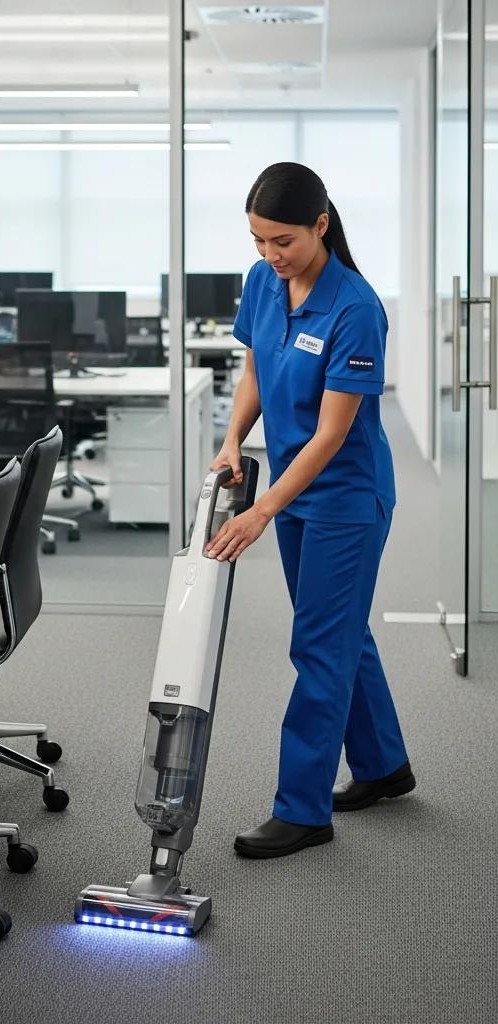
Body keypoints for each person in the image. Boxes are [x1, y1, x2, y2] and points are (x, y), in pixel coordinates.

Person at [206, 161, 415, 859]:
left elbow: (331, 435)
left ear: (320, 224)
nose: (270, 255)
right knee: (338, 630)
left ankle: (302, 810)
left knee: (319, 645)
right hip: (293, 490)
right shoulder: (264, 283)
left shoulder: (354, 307)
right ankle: (384, 766)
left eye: (283, 241)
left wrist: (261, 510)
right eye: (259, 241)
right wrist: (233, 436)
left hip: (344, 498)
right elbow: (256, 370)